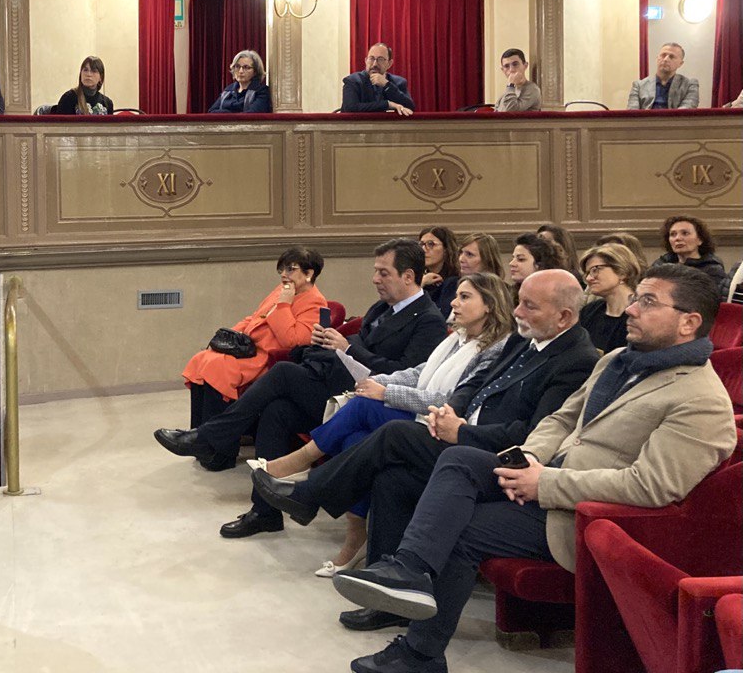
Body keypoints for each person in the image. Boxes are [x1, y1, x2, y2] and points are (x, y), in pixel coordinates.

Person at [330, 265, 735, 673]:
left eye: (647, 301)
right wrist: (526, 460)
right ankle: (408, 570)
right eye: (635, 299)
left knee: (461, 527)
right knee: (459, 459)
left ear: (688, 322)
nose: (631, 309)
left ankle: (419, 654)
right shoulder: (617, 360)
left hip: (586, 517)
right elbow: (562, 419)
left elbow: (650, 486)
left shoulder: (701, 400)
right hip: (546, 478)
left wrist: (545, 483)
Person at [249, 269, 598, 634]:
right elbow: (474, 385)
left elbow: (534, 433)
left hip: (496, 457)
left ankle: (309, 495)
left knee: (395, 433)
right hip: (461, 432)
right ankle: (386, 595)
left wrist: (462, 432)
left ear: (564, 316)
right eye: (519, 302)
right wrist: (450, 413)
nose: (518, 312)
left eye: (529, 306)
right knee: (393, 478)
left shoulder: (577, 360)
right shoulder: (525, 340)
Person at [155, 239, 448, 539]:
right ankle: (265, 513)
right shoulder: (382, 307)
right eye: (375, 271)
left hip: (370, 400)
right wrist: (328, 340)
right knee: (276, 411)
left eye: (383, 273)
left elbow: (405, 373)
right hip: (339, 385)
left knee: (282, 373)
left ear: (408, 276)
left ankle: (210, 438)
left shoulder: (428, 320)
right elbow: (359, 342)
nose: (375, 279)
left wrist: (348, 348)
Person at [254, 273, 514, 578]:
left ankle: (299, 471)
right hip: (420, 415)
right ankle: (355, 538)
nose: (454, 303)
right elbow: (419, 373)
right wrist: (379, 382)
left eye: (465, 297)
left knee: (363, 407)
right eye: (456, 295)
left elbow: (452, 400)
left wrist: (386, 393)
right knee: (356, 437)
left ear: (490, 305)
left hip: (441, 425)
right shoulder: (457, 338)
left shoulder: (495, 349)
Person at [181, 247, 329, 425]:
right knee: (201, 359)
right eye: (281, 269)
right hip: (248, 348)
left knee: (216, 366)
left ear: (309, 274)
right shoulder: (283, 290)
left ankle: (212, 438)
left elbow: (292, 341)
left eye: (290, 269)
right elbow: (255, 317)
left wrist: (283, 305)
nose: (284, 274)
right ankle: (196, 430)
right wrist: (231, 337)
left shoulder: (315, 302)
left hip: (267, 357)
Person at [578, 243, 642, 353]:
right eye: (587, 273)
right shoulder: (590, 311)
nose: (588, 278)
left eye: (595, 270)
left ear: (621, 272)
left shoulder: (640, 313)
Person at [657, 214, 727, 293]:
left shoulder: (712, 270)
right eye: (673, 234)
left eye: (685, 233)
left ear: (700, 239)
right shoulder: (660, 265)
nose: (677, 238)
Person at [341, 43, 415, 115]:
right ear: (366, 61)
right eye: (371, 58)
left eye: (380, 59)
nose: (375, 64)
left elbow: (410, 107)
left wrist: (387, 85)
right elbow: (350, 108)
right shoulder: (352, 81)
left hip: (389, 123)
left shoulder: (399, 82)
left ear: (389, 63)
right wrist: (387, 104)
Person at [627, 42, 699, 109]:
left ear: (680, 63)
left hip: (675, 119)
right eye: (663, 55)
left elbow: (687, 109)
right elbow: (632, 113)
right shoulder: (638, 86)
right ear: (657, 58)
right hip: (646, 118)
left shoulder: (690, 85)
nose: (665, 59)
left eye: (671, 57)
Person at [418, 227, 459, 314]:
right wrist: (421, 283)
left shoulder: (455, 281)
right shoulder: (417, 277)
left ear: (446, 249)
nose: (423, 249)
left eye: (431, 244)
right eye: (421, 244)